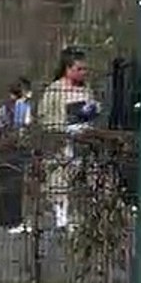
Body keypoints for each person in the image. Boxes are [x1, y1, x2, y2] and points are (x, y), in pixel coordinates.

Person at [37, 47, 100, 230]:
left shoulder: (86, 90)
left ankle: (84, 217)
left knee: (87, 179)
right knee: (59, 179)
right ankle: (62, 217)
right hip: (62, 141)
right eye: (79, 69)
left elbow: (92, 112)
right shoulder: (54, 91)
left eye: (85, 69)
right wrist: (61, 128)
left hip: (84, 140)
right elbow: (44, 117)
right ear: (68, 68)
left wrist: (92, 111)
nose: (83, 73)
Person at [0, 77, 33, 233]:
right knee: (16, 185)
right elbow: (26, 123)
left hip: (4, 148)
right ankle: (15, 221)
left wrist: (0, 124)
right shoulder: (23, 107)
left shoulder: (6, 107)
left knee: (4, 183)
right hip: (17, 147)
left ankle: (5, 220)